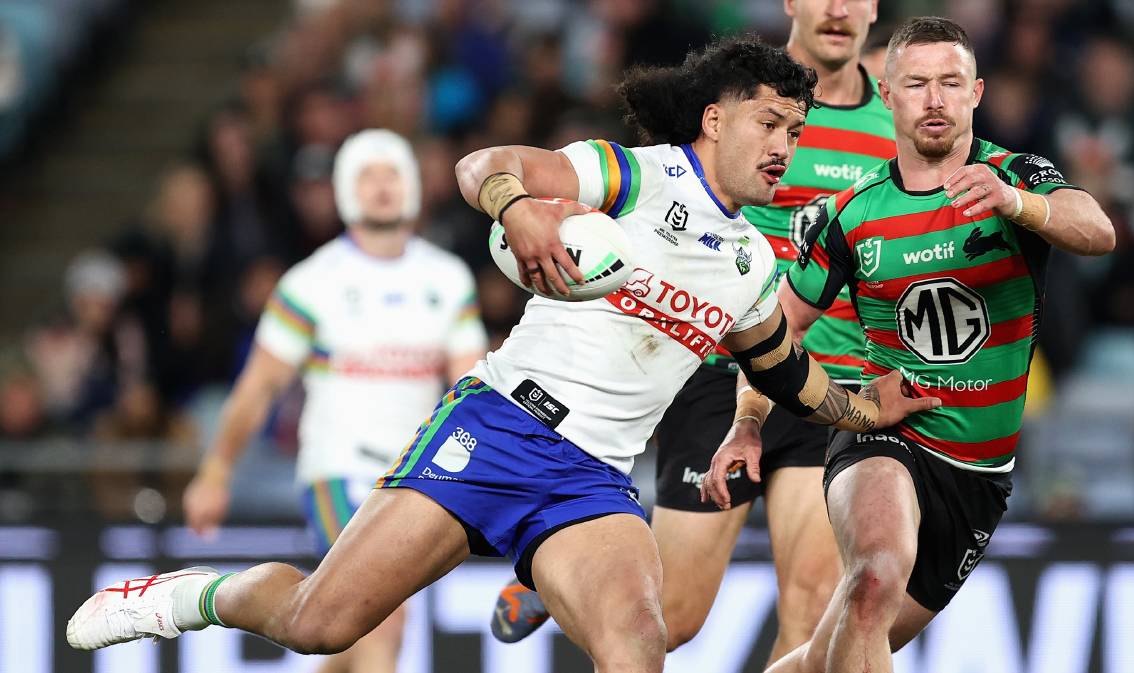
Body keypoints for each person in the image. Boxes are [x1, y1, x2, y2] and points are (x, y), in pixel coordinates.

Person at [66, 38, 933, 673]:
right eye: (770, 123)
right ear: (715, 118)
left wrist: (869, 410)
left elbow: (784, 370)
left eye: (797, 130)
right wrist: (517, 206)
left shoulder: (753, 262)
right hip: (497, 429)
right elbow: (486, 163)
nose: (786, 146)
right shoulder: (636, 176)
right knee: (319, 623)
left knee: (639, 647)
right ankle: (176, 598)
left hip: (591, 478)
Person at [702, 18, 1116, 673]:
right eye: (916, 83)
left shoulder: (1017, 176)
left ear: (976, 92)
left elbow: (1097, 229)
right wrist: (748, 422)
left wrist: (1017, 204)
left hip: (978, 474)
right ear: (887, 95)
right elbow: (778, 329)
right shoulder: (853, 213)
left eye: (950, 82)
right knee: (872, 576)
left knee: (829, 655)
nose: (934, 99)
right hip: (882, 432)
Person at [491, 2, 894, 661]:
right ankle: (553, 569)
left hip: (825, 378)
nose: (840, 8)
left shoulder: (893, 125)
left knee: (816, 601)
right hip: (718, 372)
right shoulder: (746, 96)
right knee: (672, 617)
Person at [178, 128, 489, 673]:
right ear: (346, 190)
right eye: (367, 176)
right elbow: (258, 387)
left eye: (391, 173)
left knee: (346, 626)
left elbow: (472, 389)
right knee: (381, 614)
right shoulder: (312, 282)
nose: (381, 187)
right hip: (338, 471)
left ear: (413, 185)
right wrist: (215, 471)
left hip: (417, 476)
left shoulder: (448, 277)